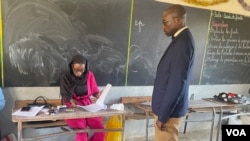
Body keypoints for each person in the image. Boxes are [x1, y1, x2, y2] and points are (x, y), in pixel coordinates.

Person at [151, 4, 195, 141]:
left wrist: (163, 116)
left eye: (165, 22)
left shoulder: (182, 44)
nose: (163, 26)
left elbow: (176, 83)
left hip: (168, 114)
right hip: (166, 109)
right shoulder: (180, 40)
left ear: (178, 20)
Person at [60, 55, 105, 141]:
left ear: (85, 67)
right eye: (76, 70)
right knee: (82, 132)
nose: (79, 72)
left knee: (101, 130)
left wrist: (99, 95)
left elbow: (94, 91)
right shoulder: (66, 77)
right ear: (72, 66)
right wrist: (71, 100)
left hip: (87, 105)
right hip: (72, 105)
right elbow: (65, 94)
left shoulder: (89, 75)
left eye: (81, 70)